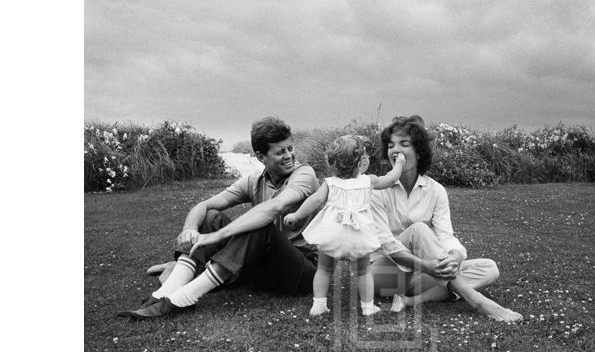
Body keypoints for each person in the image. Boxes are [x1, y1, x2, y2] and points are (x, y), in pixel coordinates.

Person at [119, 117, 319, 319]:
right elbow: (204, 205)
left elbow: (276, 207)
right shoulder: (253, 181)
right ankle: (169, 289)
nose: (289, 156)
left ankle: (184, 298)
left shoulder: (304, 174)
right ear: (260, 157)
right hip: (262, 268)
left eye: (290, 148)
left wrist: (217, 236)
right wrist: (189, 229)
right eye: (280, 152)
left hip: (302, 271)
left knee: (260, 224)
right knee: (210, 217)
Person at [369, 115, 523, 323]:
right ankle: (479, 302)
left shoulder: (435, 190)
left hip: (419, 274)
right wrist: (427, 266)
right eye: (390, 146)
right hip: (384, 274)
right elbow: (387, 246)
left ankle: (409, 301)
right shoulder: (377, 190)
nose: (395, 150)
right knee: (419, 230)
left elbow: (445, 235)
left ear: (419, 152)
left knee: (488, 269)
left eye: (404, 144)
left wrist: (456, 256)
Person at [284, 135, 406, 317]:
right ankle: (367, 306)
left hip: (332, 234)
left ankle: (319, 304)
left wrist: (296, 215)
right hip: (358, 236)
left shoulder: (330, 183)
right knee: (364, 272)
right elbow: (390, 179)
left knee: (324, 269)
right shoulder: (368, 181)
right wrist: (400, 164)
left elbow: (315, 200)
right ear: (360, 163)